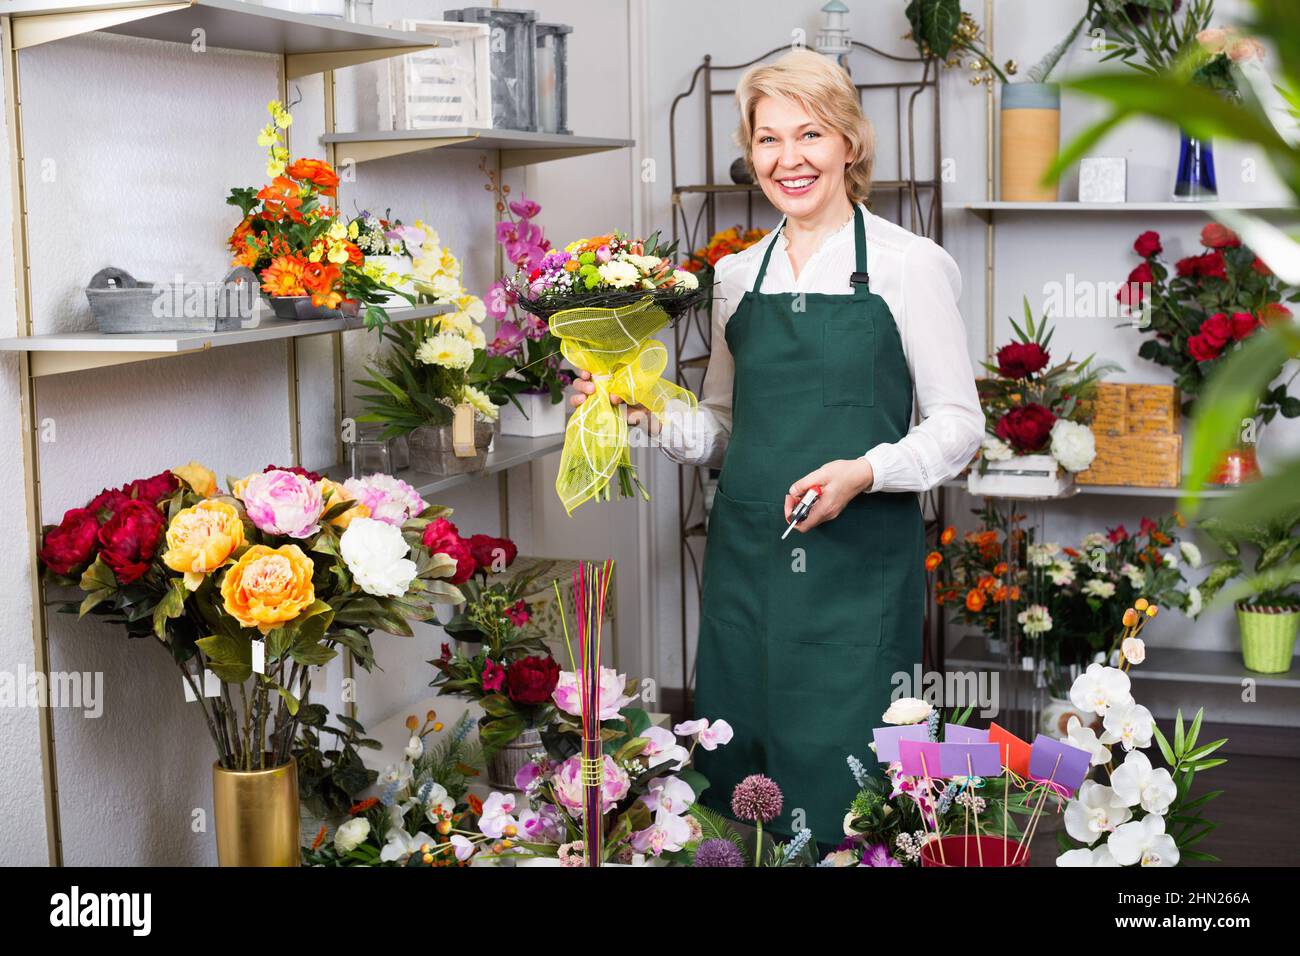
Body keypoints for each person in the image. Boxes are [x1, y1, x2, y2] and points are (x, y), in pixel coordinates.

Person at [571, 49, 983, 847]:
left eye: (811, 135)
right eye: (768, 140)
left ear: (850, 144)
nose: (788, 159)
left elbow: (960, 425)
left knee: (852, 770)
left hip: (857, 568)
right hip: (749, 564)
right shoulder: (736, 274)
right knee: (742, 766)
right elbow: (725, 428)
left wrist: (866, 471)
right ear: (749, 151)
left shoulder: (909, 264)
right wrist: (646, 406)